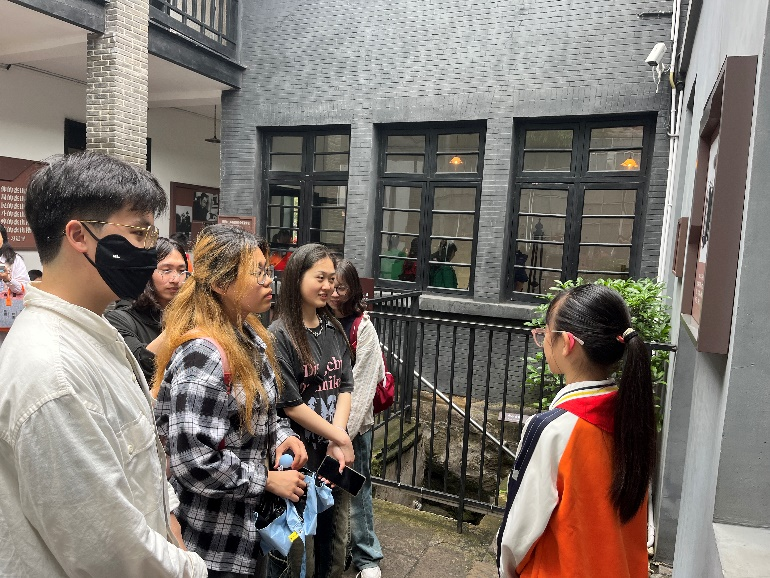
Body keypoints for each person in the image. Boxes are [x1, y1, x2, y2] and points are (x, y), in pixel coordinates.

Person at [0, 151, 206, 577]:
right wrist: (191, 569)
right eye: (140, 231)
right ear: (79, 235)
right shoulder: (54, 373)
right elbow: (110, 550)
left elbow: (141, 473)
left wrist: (172, 533)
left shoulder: (93, 331)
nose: (149, 249)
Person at [153, 224, 308, 578]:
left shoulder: (250, 334)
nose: (269, 281)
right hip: (210, 542)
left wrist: (282, 436)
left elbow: (261, 412)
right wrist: (266, 481)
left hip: (245, 533)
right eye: (257, 272)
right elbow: (194, 461)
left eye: (268, 271)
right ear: (222, 284)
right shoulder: (203, 354)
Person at [496, 284, 655, 578]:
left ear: (567, 343)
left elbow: (516, 537)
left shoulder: (552, 430)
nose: (543, 340)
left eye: (546, 333)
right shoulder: (634, 417)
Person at [267, 243, 356, 578]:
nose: (328, 286)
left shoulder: (334, 329)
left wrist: (337, 438)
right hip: (299, 458)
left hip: (332, 456)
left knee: (334, 541)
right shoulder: (280, 334)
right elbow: (291, 404)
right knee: (298, 547)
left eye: (332, 279)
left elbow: (345, 386)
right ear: (297, 277)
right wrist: (339, 438)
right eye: (320, 277)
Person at [329, 259, 384, 578]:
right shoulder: (319, 319)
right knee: (330, 492)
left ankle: (367, 557)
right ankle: (341, 548)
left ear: (353, 290)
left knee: (356, 489)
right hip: (323, 428)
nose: (335, 293)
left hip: (353, 431)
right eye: (331, 285)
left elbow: (362, 390)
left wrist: (341, 436)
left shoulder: (363, 328)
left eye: (342, 287)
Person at [106, 237, 189, 383]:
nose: (176, 279)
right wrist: (177, 325)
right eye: (166, 270)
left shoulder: (191, 316)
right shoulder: (118, 319)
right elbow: (140, 368)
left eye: (181, 271)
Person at [0, 222, 31, 344]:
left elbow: (24, 289)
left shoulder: (14, 260)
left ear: (3, 237)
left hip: (7, 315)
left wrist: (8, 280)